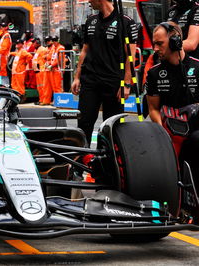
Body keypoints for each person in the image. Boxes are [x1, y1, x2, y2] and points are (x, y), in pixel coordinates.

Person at [70, 0, 138, 145]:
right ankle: (81, 162)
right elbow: (84, 51)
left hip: (113, 83)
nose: (88, 1)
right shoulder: (90, 21)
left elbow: (130, 56)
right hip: (90, 81)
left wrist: (126, 84)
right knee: (84, 124)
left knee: (112, 128)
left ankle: (108, 164)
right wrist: (77, 77)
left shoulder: (126, 22)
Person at [145, 21, 199, 188]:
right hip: (169, 135)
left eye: (159, 43)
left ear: (176, 41)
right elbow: (153, 109)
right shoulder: (154, 73)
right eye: (154, 43)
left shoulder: (197, 68)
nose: (155, 48)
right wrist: (162, 134)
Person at [42, 35, 65, 105]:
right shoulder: (55, 48)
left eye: (55, 40)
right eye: (53, 40)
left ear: (58, 40)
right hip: (53, 69)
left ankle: (59, 102)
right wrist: (48, 64)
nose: (54, 42)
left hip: (57, 70)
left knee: (57, 87)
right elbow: (52, 59)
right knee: (54, 86)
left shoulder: (60, 48)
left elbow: (59, 60)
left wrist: (51, 65)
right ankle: (55, 101)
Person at [32, 38, 47, 104]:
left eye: (34, 43)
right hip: (37, 71)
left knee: (42, 86)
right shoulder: (37, 50)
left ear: (37, 43)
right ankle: (41, 100)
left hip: (41, 70)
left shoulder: (42, 49)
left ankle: (44, 100)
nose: (32, 44)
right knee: (39, 87)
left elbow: (45, 59)